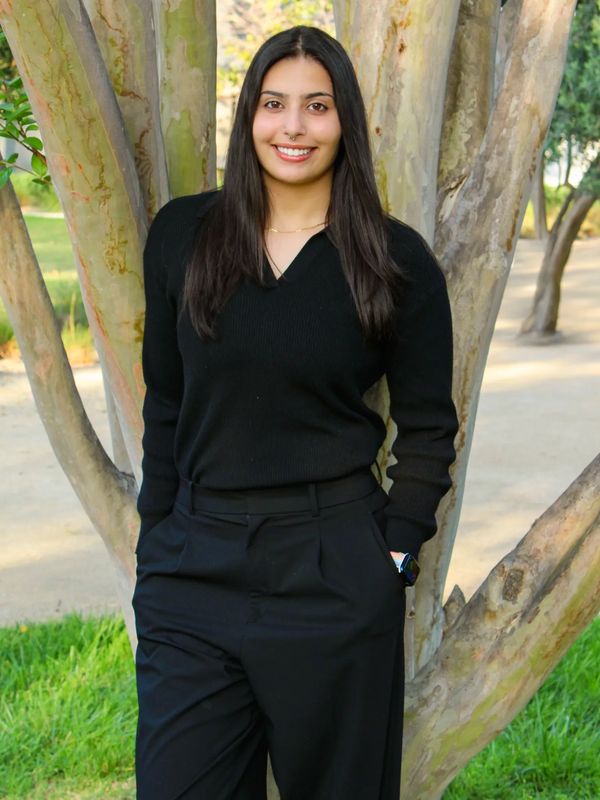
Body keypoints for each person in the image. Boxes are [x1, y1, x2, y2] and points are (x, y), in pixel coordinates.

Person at [132, 24, 459, 800]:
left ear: (345, 120)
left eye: (317, 106)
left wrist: (393, 559)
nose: (294, 127)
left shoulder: (393, 260)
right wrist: (157, 543)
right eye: (275, 104)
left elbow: (428, 430)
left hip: (333, 569)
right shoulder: (184, 235)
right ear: (249, 116)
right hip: (194, 570)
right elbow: (167, 402)